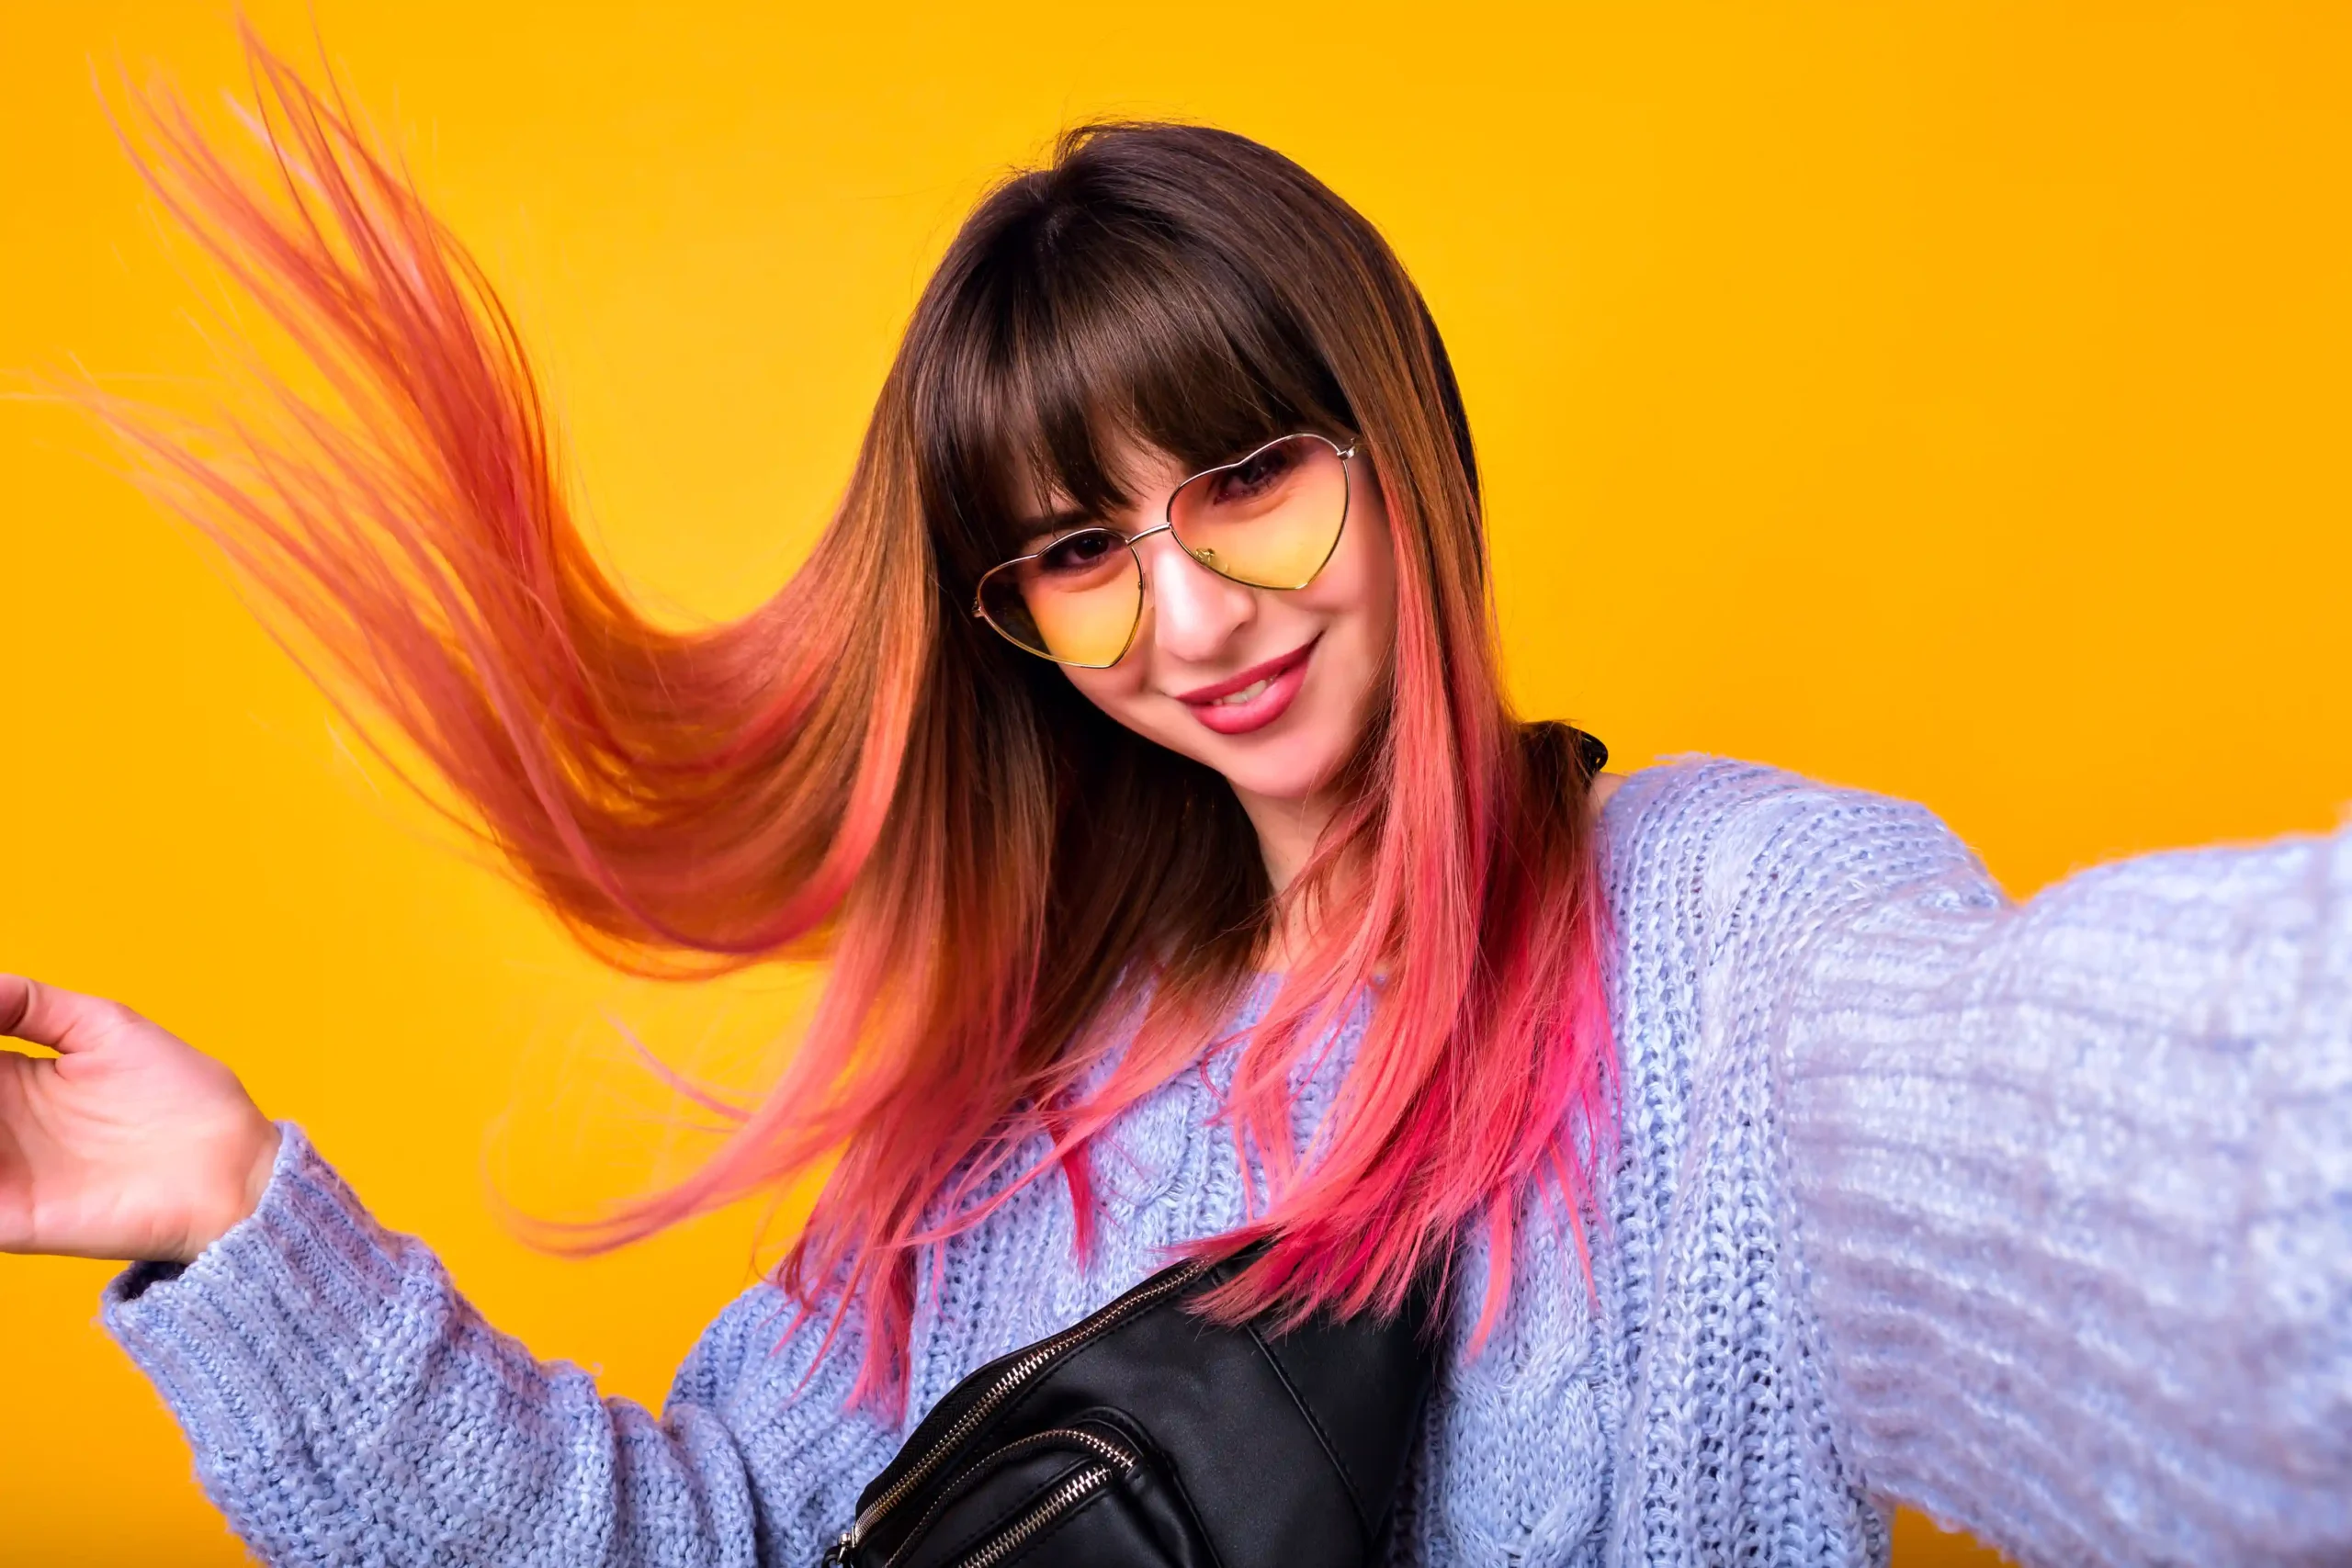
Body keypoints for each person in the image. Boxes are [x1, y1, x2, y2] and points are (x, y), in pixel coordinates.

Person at [3, 45, 2346, 1568]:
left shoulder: (1721, 945)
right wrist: (227, 1219)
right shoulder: (1009, 1113)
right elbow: (706, 1536)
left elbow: (2131, 1156)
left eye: (1247, 477)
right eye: (1079, 550)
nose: (1193, 612)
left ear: (1397, 446)